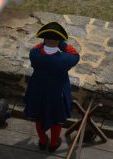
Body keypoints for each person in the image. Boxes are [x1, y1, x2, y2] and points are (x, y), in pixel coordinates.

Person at [25, 22, 80, 152]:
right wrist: (63, 44)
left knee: (38, 118)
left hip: (38, 92)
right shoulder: (66, 59)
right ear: (59, 41)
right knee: (57, 121)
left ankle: (43, 141)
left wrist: (45, 43)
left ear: (44, 40)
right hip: (57, 95)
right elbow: (76, 55)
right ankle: (53, 144)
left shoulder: (34, 54)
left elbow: (37, 48)